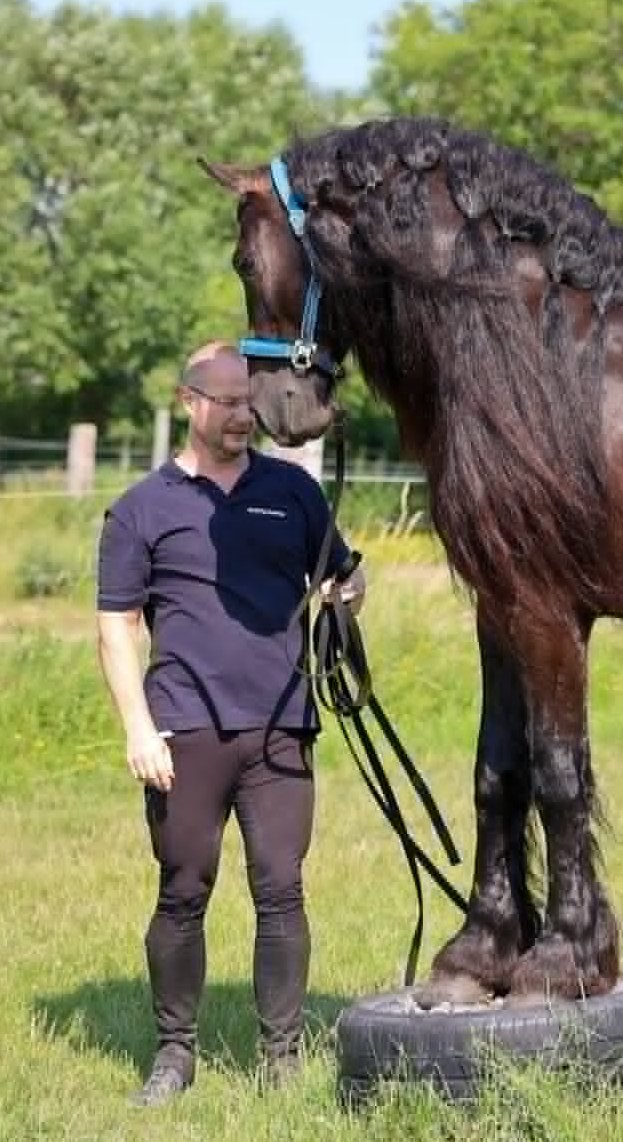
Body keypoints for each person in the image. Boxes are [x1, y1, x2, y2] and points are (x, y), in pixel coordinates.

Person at [95, 341, 365, 1107]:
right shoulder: (142, 508)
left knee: (281, 889)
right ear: (189, 402)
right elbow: (117, 629)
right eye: (228, 402)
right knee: (184, 889)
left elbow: (344, 575)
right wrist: (138, 730)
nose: (245, 415)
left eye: (251, 402)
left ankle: (279, 1057)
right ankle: (175, 1053)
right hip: (184, 731)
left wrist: (346, 602)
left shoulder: (292, 491)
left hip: (283, 725)